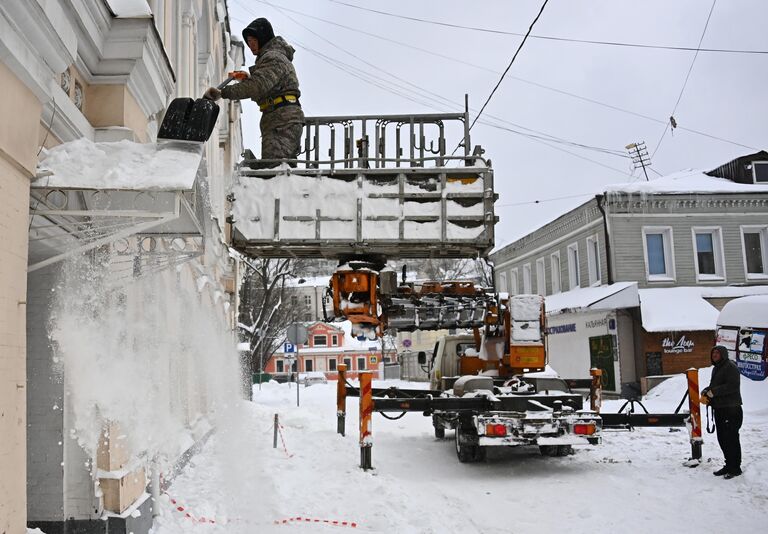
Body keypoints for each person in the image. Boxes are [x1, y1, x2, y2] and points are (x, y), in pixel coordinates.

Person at [204, 18, 304, 169]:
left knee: (276, 171)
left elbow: (257, 86)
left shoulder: (273, 57)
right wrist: (249, 78)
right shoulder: (271, 57)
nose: (250, 45)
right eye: (248, 41)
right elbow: (266, 84)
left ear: (263, 37)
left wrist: (222, 93)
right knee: (277, 169)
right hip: (279, 119)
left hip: (282, 121)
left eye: (253, 40)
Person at [701, 345, 743, 479]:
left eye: (717, 353)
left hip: (731, 409)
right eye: (713, 352)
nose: (714, 355)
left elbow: (733, 385)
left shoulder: (730, 367)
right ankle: (728, 465)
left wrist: (714, 392)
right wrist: (707, 391)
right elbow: (715, 386)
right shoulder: (717, 368)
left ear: (723, 354)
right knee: (723, 439)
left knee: (731, 439)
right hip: (720, 409)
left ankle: (735, 468)